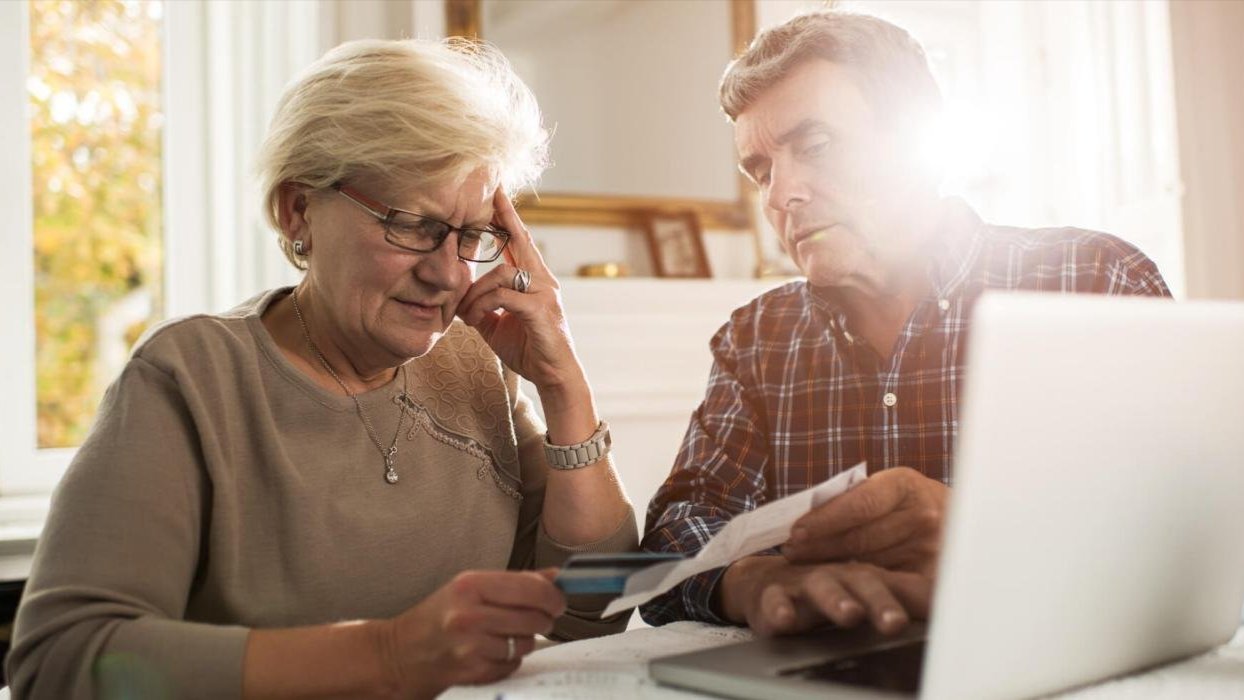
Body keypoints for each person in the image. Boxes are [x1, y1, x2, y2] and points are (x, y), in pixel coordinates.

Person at [8, 38, 636, 699]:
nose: (447, 273)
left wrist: (563, 381)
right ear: (298, 210)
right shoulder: (191, 377)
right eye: (411, 224)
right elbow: (62, 662)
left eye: (473, 234)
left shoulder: (474, 364)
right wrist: (389, 654)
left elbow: (592, 613)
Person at [641, 10, 1170, 638]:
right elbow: (669, 539)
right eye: (761, 171)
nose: (781, 196)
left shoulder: (1095, 281)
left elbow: (1195, 524)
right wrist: (750, 580)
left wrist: (989, 538)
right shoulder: (755, 338)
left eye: (815, 146)